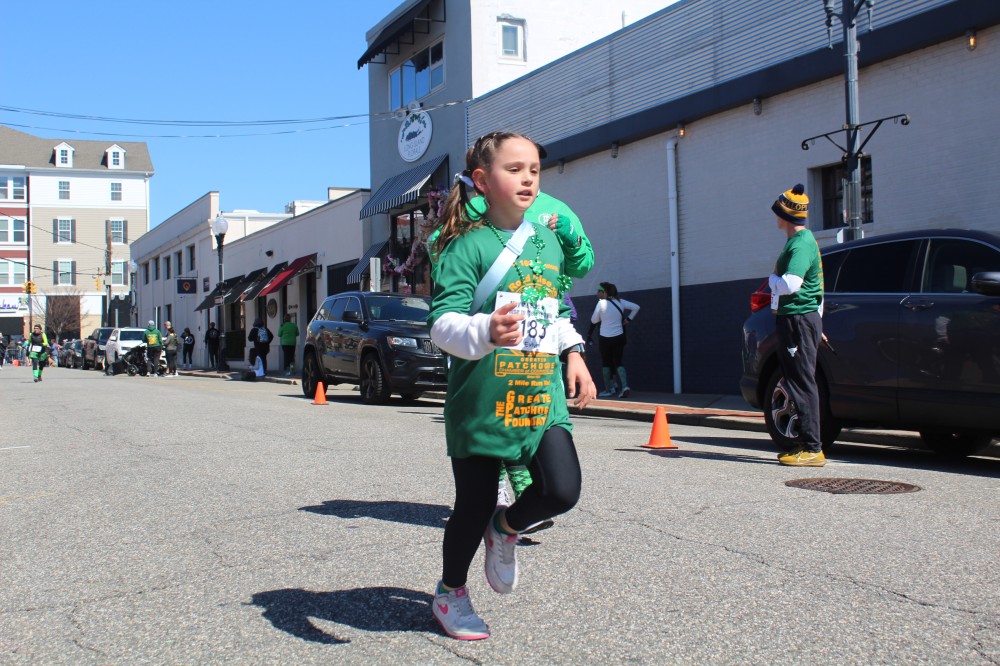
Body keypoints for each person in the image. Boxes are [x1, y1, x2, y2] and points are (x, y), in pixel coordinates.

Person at [427, 131, 596, 641]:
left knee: (562, 490)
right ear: (482, 181)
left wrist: (574, 352)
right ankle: (450, 592)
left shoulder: (547, 242)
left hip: (540, 395)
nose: (527, 179)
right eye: (514, 169)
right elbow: (442, 324)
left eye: (534, 170)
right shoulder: (466, 245)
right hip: (482, 401)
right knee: (472, 506)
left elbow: (551, 309)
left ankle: (505, 528)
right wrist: (485, 330)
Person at [769, 183, 826, 467]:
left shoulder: (801, 243)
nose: (775, 217)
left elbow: (792, 284)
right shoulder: (800, 241)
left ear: (786, 215)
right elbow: (818, 288)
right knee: (798, 380)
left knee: (802, 382)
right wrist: (817, 324)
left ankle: (813, 448)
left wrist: (771, 281)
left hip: (798, 319)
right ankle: (805, 444)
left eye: (777, 212)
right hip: (801, 319)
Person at [587, 282, 639, 398]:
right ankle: (624, 386)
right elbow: (636, 307)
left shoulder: (601, 303)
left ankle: (609, 389)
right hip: (619, 337)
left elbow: (594, 320)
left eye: (599, 291)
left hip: (605, 338)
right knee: (618, 361)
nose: (597, 293)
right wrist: (628, 320)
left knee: (606, 363)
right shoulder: (621, 302)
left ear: (605, 292)